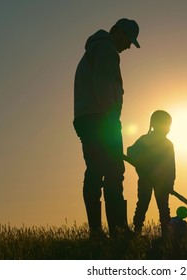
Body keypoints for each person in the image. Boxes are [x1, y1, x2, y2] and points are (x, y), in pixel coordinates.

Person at [73, 18, 140, 238]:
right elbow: (102, 85)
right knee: (113, 173)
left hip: (88, 118)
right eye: (128, 40)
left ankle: (98, 231)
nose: (129, 46)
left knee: (96, 171)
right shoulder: (105, 50)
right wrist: (112, 120)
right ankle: (118, 229)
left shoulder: (95, 49)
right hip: (101, 120)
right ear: (118, 32)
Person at [127, 110, 176, 238]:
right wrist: (141, 163)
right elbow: (130, 151)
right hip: (145, 179)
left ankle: (166, 233)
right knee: (143, 203)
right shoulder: (145, 140)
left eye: (168, 125)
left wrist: (170, 183)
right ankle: (137, 231)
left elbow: (171, 166)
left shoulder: (168, 144)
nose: (167, 128)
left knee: (163, 207)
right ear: (154, 125)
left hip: (162, 183)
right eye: (165, 125)